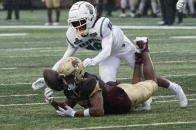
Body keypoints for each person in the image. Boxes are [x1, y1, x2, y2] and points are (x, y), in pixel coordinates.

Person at [32, 1, 187, 109]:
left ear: (91, 17)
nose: (77, 26)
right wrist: (49, 76)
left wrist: (92, 61)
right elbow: (65, 57)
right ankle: (138, 99)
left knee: (148, 77)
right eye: (74, 23)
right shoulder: (73, 34)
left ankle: (175, 88)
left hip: (122, 48)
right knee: (108, 87)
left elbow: (106, 49)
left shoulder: (102, 25)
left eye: (81, 22)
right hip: (106, 56)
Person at [43, 40, 159, 117]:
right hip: (115, 90)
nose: (66, 81)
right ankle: (138, 60)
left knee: (153, 82)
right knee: (135, 85)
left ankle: (144, 49)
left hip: (125, 98)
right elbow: (66, 108)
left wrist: (75, 114)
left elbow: (98, 110)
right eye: (64, 78)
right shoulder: (71, 86)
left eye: (68, 77)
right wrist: (52, 101)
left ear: (78, 74)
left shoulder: (89, 82)